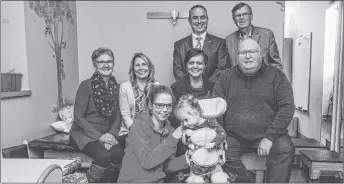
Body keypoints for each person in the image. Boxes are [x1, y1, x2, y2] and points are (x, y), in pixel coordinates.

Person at [212, 38, 295, 183]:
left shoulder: (277, 76)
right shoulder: (225, 78)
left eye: (252, 51)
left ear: (260, 53)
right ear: (237, 56)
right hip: (233, 135)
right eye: (243, 52)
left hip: (269, 134)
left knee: (285, 149)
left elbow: (287, 107)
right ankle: (247, 181)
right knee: (219, 152)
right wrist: (220, 134)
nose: (247, 56)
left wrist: (270, 137)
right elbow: (216, 108)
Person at [68, 47, 124, 183]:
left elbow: (118, 117)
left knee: (118, 153)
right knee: (103, 156)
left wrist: (111, 135)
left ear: (113, 63)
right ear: (94, 64)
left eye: (109, 61)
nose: (106, 65)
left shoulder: (117, 87)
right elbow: (79, 117)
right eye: (101, 62)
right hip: (83, 135)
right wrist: (101, 137)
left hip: (107, 135)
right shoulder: (85, 86)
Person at [117, 84, 188, 183]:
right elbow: (147, 161)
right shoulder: (138, 126)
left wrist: (188, 158)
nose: (164, 110)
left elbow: (166, 166)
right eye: (159, 105)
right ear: (150, 105)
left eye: (168, 105)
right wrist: (173, 138)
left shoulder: (170, 131)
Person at [174, 94, 232, 183]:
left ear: (195, 113)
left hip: (214, 165)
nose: (184, 124)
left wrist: (214, 143)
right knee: (195, 181)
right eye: (182, 121)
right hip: (196, 168)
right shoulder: (187, 127)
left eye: (186, 120)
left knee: (220, 180)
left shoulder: (210, 122)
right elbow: (185, 141)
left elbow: (222, 133)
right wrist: (186, 135)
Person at [173, 4, 231, 83]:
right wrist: (191, 86)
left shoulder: (220, 43)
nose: (199, 21)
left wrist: (204, 86)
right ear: (189, 21)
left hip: (212, 91)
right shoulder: (179, 45)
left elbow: (222, 68)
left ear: (207, 19)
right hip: (186, 92)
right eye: (195, 18)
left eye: (202, 17)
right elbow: (177, 71)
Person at [225, 2, 282, 70]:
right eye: (238, 15)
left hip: (264, 79)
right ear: (234, 20)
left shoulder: (267, 35)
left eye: (245, 14)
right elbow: (227, 69)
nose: (241, 18)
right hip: (238, 80)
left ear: (251, 16)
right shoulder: (228, 40)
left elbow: (276, 64)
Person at [118, 53, 158, 147]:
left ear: (150, 67)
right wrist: (138, 132)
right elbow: (125, 115)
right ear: (133, 69)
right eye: (137, 65)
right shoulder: (125, 87)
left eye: (144, 64)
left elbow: (159, 114)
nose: (141, 68)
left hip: (152, 131)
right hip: (130, 131)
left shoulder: (157, 87)